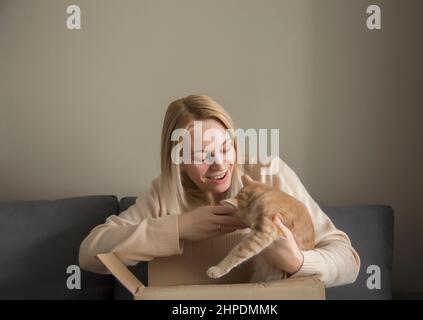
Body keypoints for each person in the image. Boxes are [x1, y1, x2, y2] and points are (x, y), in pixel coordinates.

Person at [78, 95, 360, 287]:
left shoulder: (267, 174)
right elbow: (90, 254)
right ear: (177, 161)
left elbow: (349, 261)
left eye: (226, 148)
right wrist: (178, 227)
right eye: (202, 156)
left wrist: (297, 261)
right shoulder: (164, 194)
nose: (220, 165)